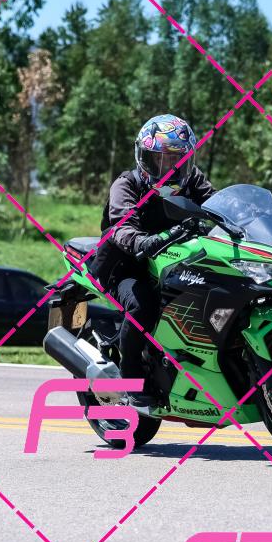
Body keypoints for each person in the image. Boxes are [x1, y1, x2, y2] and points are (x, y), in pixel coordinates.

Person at [90, 114, 215, 407]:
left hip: (171, 261)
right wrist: (143, 242)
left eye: (176, 160)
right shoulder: (127, 184)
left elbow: (219, 206)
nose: (168, 169)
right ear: (143, 157)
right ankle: (130, 375)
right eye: (159, 160)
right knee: (142, 305)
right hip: (125, 264)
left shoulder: (193, 179)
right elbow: (122, 226)